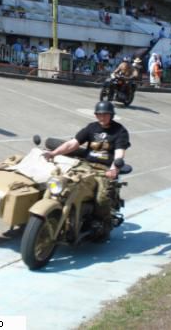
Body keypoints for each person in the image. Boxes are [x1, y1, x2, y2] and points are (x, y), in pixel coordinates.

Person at [43, 101, 130, 239]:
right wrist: (53, 153)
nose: (102, 117)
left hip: (104, 169)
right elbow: (73, 144)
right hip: (85, 165)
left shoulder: (120, 131)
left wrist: (114, 168)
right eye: (99, 114)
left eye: (105, 114)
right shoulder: (92, 127)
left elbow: (119, 152)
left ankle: (104, 225)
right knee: (62, 181)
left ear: (111, 115)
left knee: (102, 198)